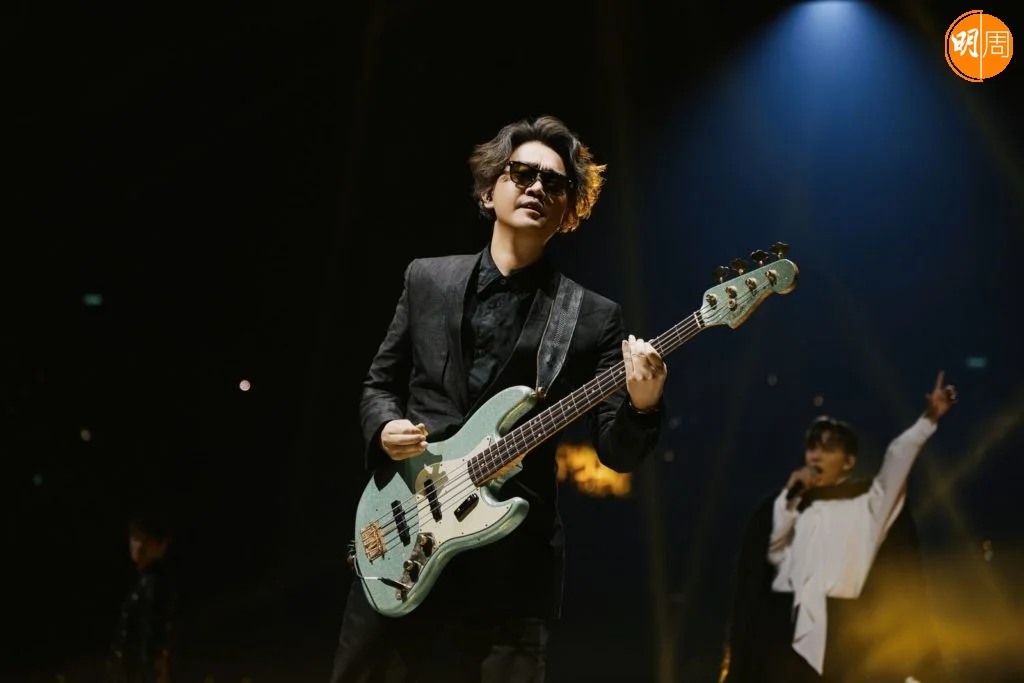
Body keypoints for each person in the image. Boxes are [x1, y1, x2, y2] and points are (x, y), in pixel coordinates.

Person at [328, 115, 669, 683]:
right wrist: (384, 428)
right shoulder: (426, 279)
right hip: (404, 535)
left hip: (510, 574)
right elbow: (378, 385)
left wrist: (643, 404)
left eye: (554, 183)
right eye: (522, 173)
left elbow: (617, 452)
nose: (537, 187)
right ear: (490, 192)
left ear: (569, 212)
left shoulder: (592, 317)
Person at [722, 371, 957, 683]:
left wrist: (928, 419)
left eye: (829, 447)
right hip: (786, 652)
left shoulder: (865, 503)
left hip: (852, 645)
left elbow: (899, 459)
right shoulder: (778, 507)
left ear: (849, 460)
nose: (817, 455)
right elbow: (752, 587)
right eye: (812, 446)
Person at [104, 512, 177, 683]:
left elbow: (155, 639)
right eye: (136, 538)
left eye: (147, 539)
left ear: (162, 545)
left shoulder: (157, 585)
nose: (140, 545)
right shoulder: (143, 583)